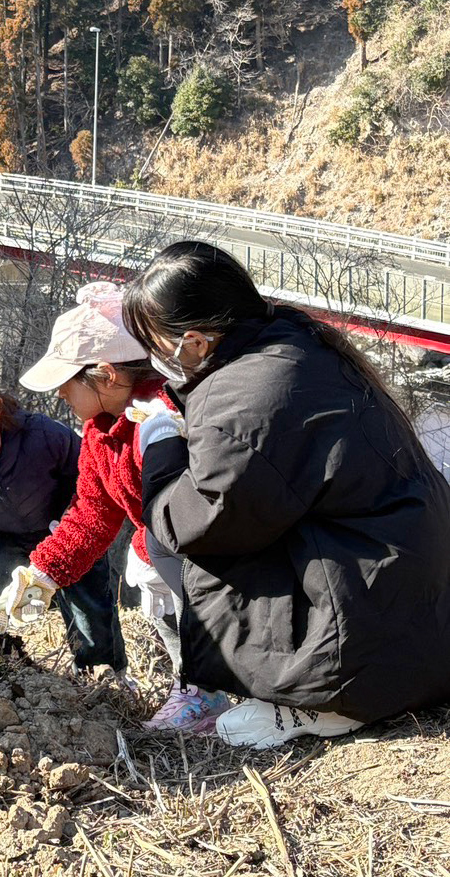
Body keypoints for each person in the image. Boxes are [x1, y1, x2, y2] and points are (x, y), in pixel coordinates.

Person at [123, 241, 450, 748]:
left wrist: (162, 442)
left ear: (195, 342)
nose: (154, 359)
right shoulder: (294, 343)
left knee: (162, 541)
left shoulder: (244, 400)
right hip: (413, 605)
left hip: (369, 639)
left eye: (156, 344)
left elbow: (189, 523)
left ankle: (322, 697)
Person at [2, 283, 225, 731]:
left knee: (170, 581)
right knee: (151, 578)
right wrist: (43, 573)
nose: (60, 395)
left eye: (66, 383)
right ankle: (198, 685)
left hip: (204, 550)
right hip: (163, 544)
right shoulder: (100, 432)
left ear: (106, 375)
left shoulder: (165, 417)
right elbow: (92, 513)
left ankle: (211, 687)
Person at [0, 338, 125, 674]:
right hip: (8, 535)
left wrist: (68, 522)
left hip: (65, 529)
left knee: (90, 603)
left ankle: (103, 670)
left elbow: (90, 479)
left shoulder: (42, 436)